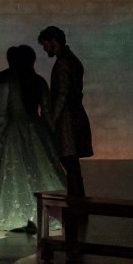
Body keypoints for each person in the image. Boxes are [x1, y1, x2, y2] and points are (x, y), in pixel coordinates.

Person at [0, 45, 66, 232]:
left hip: (14, 133)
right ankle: (40, 216)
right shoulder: (38, 81)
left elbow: (2, 113)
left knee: (14, 173)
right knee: (37, 172)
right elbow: (46, 113)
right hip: (36, 130)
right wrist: (50, 137)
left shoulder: (5, 82)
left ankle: (21, 216)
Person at [37, 26, 93, 197]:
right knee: (72, 165)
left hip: (66, 120)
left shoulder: (63, 62)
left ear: (54, 42)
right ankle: (77, 200)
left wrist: (51, 121)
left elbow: (61, 95)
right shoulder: (70, 60)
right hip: (72, 116)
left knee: (70, 163)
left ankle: (76, 201)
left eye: (46, 44)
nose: (45, 48)